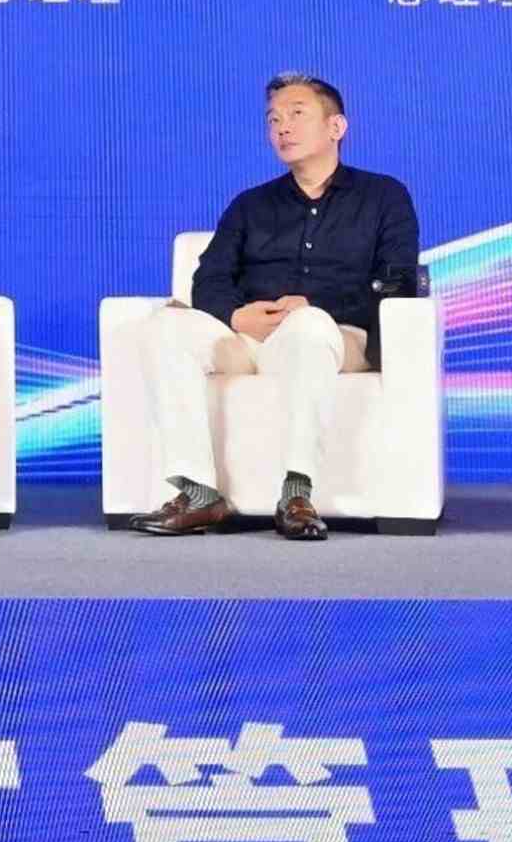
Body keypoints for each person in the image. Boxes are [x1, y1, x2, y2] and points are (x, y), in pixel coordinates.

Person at [137, 73, 425, 541]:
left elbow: (396, 282)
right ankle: (198, 492)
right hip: (252, 337)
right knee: (162, 328)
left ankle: (296, 492)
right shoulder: (250, 205)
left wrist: (315, 305)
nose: (282, 128)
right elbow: (208, 279)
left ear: (336, 127)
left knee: (308, 325)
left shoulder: (383, 197)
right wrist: (237, 316)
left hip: (338, 336)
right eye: (273, 120)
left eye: (296, 114)